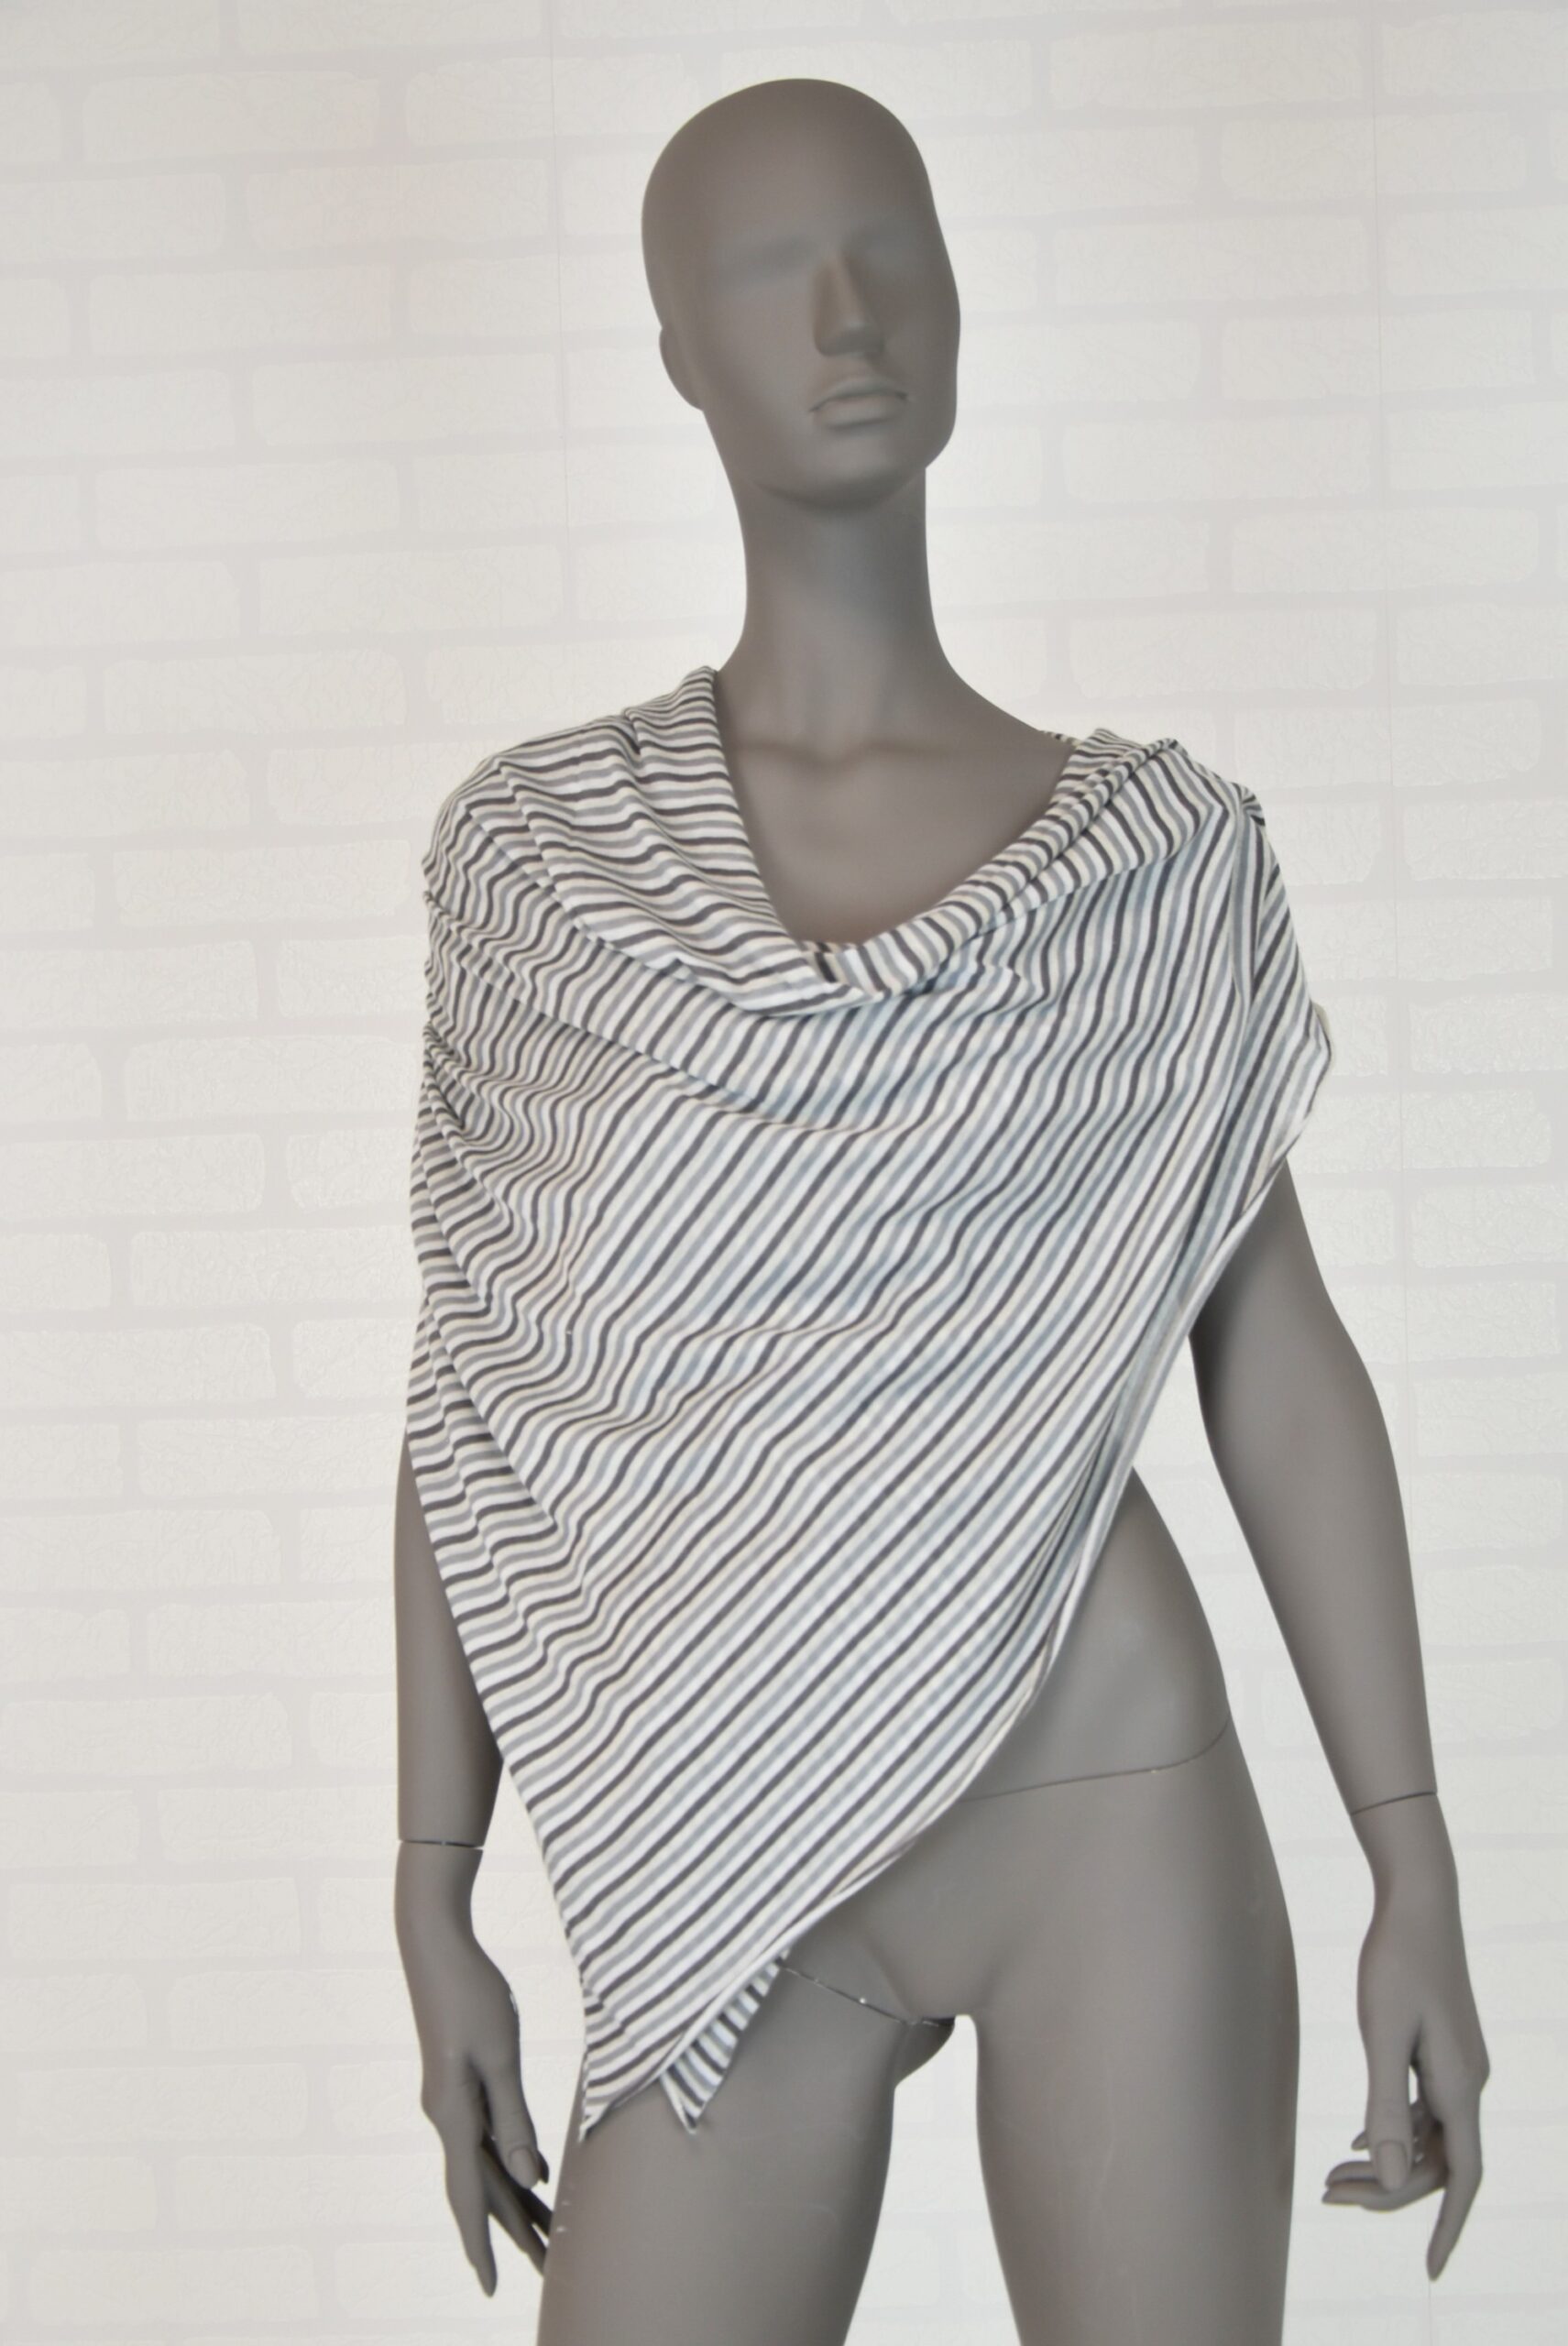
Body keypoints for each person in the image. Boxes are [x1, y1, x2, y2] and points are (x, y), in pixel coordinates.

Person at [393, 78, 1489, 2346]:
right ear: (676, 353)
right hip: (719, 1813)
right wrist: (432, 1879)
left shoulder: (1153, 865)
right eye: (766, 271)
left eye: (892, 251)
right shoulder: (541, 862)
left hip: (1102, 1793)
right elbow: (480, 1384)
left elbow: (1274, 1358)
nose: (848, 315)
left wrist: (1413, 1854)